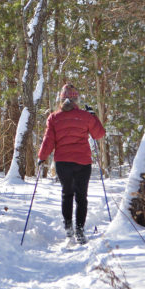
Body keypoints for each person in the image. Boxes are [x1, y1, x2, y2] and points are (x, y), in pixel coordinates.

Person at [37, 83, 106, 244]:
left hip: (62, 162)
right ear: (76, 100)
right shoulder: (85, 116)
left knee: (67, 193)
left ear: (61, 99)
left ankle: (68, 228)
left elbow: (49, 140)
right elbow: (99, 134)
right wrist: (93, 115)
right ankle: (80, 230)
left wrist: (42, 156)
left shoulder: (54, 117)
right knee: (81, 197)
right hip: (83, 161)